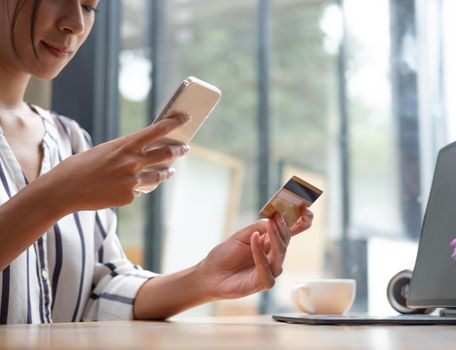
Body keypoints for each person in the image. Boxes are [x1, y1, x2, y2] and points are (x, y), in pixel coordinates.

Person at [0, 0, 313, 324]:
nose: (76, 24)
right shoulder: (73, 166)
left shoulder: (71, 139)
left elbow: (99, 289)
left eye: (89, 7)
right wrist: (57, 195)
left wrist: (203, 279)